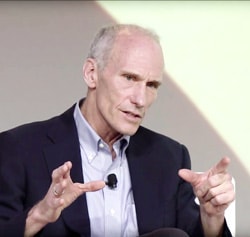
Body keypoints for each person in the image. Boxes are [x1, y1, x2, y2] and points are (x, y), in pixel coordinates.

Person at [0, 24, 235, 237]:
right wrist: (40, 215)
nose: (141, 99)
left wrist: (211, 217)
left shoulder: (169, 157)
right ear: (92, 74)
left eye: (151, 85)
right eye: (129, 78)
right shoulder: (18, 150)